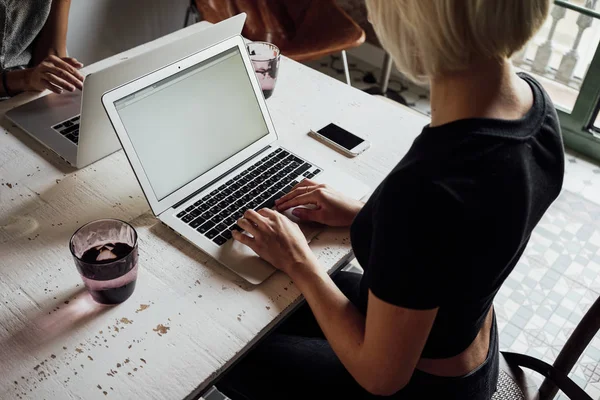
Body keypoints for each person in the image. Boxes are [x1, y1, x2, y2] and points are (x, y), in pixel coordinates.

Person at [219, 0, 563, 399]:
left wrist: (298, 260)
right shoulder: (535, 106)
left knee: (222, 346)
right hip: (466, 345)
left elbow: (381, 377)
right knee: (270, 303)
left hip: (423, 387)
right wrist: (369, 216)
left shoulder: (427, 186)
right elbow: (463, 231)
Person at [1, 0, 84, 98]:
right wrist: (24, 79)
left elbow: (53, 49)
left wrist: (53, 75)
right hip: (21, 82)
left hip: (30, 88)